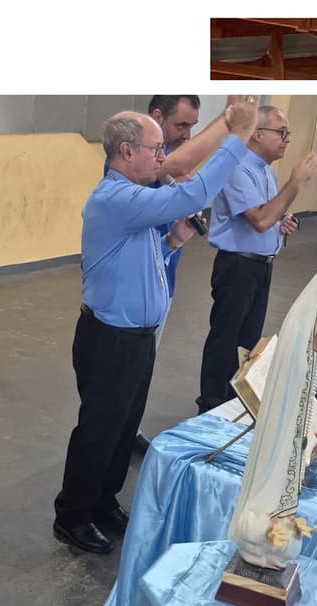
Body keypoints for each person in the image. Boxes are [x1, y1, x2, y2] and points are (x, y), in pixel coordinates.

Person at [54, 100, 258, 555]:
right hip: (110, 339)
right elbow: (191, 194)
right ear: (127, 151)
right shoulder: (115, 198)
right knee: (99, 430)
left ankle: (103, 501)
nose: (163, 158)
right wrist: (237, 136)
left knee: (124, 427)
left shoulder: (136, 200)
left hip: (137, 338)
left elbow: (140, 264)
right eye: (156, 149)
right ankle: (72, 515)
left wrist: (173, 242)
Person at [117, 96, 247, 454]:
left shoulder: (164, 166)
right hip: (133, 290)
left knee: (143, 369)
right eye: (181, 125)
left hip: (163, 276)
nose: (187, 135)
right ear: (156, 117)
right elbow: (185, 167)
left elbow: (184, 172)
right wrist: (230, 122)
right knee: (122, 377)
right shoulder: (135, 167)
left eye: (193, 126)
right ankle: (115, 437)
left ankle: (128, 430)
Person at [227, 245, 317, 568]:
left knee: (284, 474)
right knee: (274, 471)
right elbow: (294, 373)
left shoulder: (311, 322)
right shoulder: (300, 325)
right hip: (285, 418)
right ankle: (260, 535)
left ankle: (270, 537)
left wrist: (315, 350)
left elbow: (305, 371)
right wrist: (311, 351)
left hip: (293, 417)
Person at [197, 105, 317, 414]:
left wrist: (284, 221)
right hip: (237, 266)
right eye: (281, 132)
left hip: (260, 264)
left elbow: (271, 214)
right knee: (226, 339)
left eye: (287, 133)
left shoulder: (265, 169)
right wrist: (295, 183)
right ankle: (211, 406)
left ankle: (234, 401)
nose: (287, 139)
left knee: (248, 341)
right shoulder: (237, 168)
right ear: (256, 133)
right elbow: (260, 220)